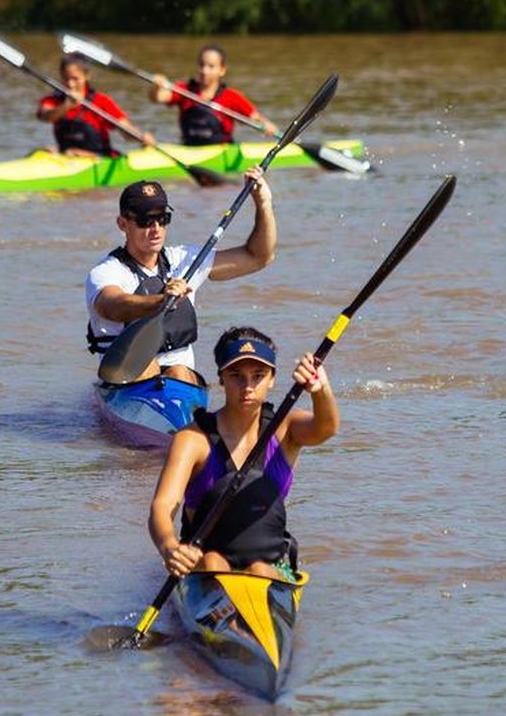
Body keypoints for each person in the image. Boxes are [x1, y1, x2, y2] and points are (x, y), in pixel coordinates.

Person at [149, 327, 336, 580]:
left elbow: (326, 428)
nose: (247, 387)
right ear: (221, 378)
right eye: (236, 375)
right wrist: (169, 547)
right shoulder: (191, 439)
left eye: (258, 376)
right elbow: (163, 505)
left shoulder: (286, 429)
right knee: (214, 562)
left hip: (269, 565)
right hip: (203, 561)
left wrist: (321, 390)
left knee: (260, 569)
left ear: (272, 379)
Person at [85, 170, 276, 385]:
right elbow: (111, 306)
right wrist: (161, 301)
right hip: (126, 377)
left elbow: (258, 257)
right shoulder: (107, 271)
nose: (156, 229)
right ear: (122, 224)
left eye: (162, 219)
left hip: (181, 381)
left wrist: (263, 203)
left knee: (179, 372)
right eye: (145, 221)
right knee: (150, 366)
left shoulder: (184, 259)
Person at [149, 44, 279, 145]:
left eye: (211, 66)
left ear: (222, 70)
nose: (204, 71)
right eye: (202, 65)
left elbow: (255, 117)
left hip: (221, 151)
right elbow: (157, 98)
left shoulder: (231, 97)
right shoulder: (184, 90)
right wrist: (157, 86)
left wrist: (266, 124)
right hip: (188, 150)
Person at [38, 53, 152, 157]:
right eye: (66, 79)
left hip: (100, 158)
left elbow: (125, 132)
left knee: (72, 153)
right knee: (43, 151)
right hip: (67, 158)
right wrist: (66, 105)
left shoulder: (101, 101)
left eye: (75, 79)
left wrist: (141, 136)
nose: (70, 84)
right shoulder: (53, 100)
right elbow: (45, 116)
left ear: (87, 76)